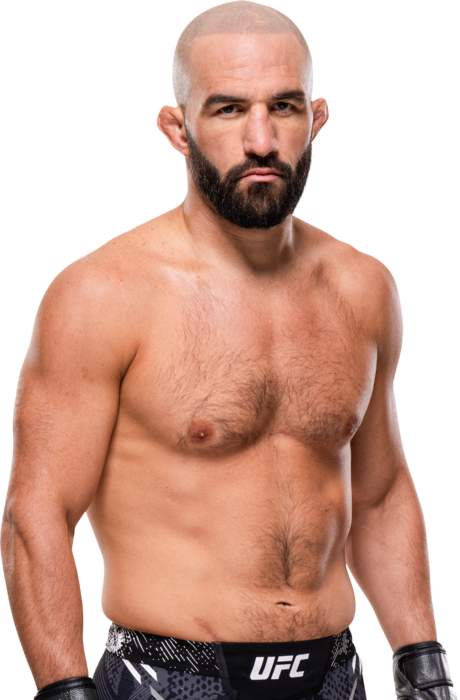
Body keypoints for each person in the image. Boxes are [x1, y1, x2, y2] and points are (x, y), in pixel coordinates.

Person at [0, 3, 455, 700]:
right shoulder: (101, 295)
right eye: (229, 109)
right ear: (176, 130)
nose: (261, 140)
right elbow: (38, 515)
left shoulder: (363, 287)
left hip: (336, 676)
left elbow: (381, 492)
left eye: (284, 107)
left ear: (317, 120)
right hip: (169, 679)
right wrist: (65, 688)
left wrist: (423, 662)